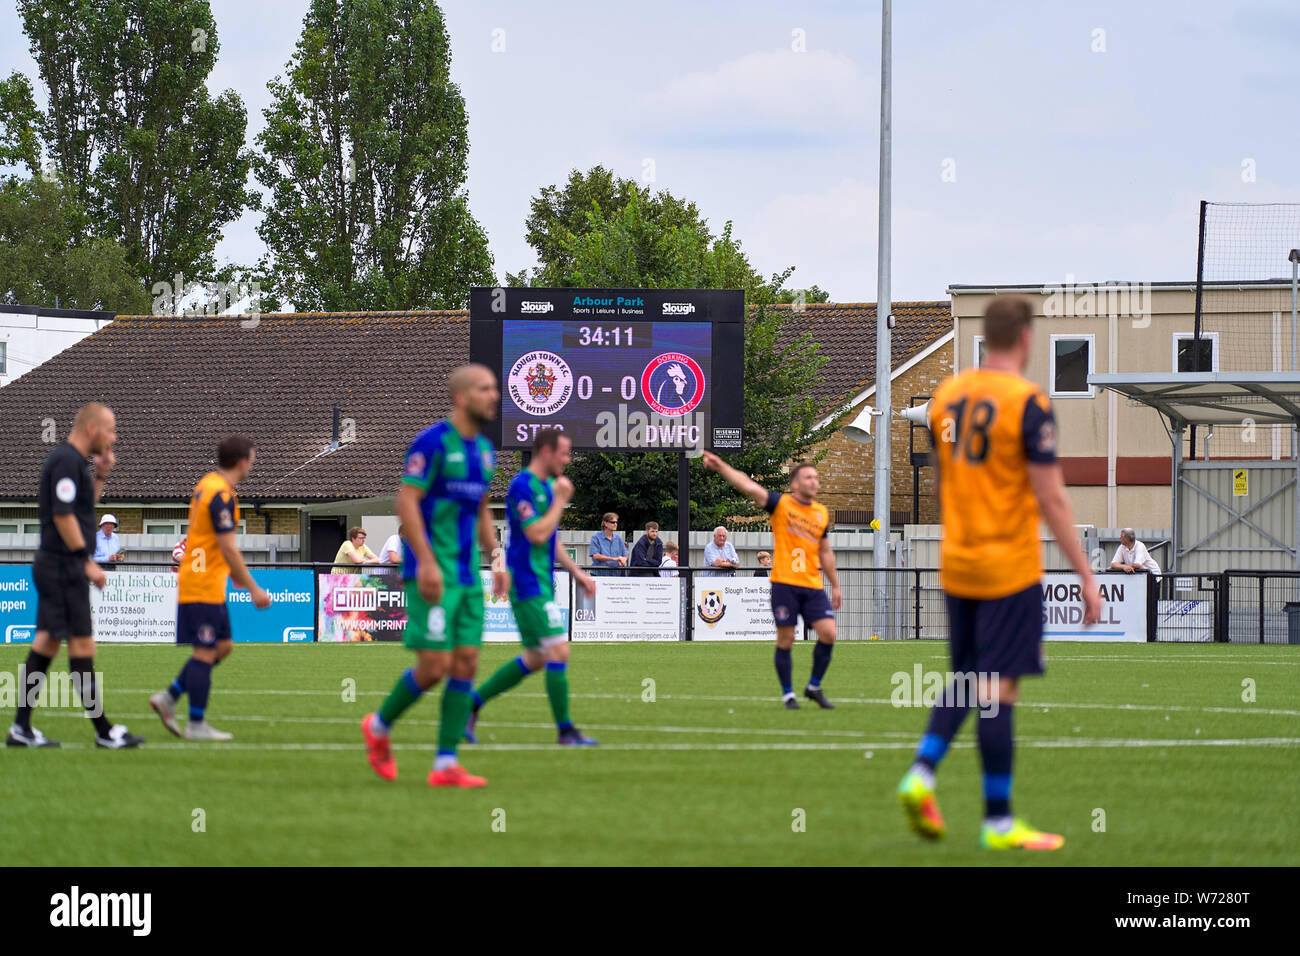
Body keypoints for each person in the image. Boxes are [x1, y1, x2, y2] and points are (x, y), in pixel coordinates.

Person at [896, 295, 1102, 851]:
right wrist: (1085, 572)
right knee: (997, 688)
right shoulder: (1028, 401)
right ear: (1028, 339)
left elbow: (941, 482)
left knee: (966, 678)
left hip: (957, 561)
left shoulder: (947, 397)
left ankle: (922, 772)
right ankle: (998, 821)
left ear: (986, 337)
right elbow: (1051, 497)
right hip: (1008, 566)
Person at [361, 364, 508, 788]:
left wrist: (495, 557)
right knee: (434, 666)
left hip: (465, 575)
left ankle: (446, 763)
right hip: (434, 572)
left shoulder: (484, 449)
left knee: (466, 661)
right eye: (485, 389)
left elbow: (480, 508)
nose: (493, 396)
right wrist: (424, 560)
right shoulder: (431, 442)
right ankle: (379, 725)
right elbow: (406, 502)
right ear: (462, 397)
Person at [7, 402, 142, 748]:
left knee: (48, 644)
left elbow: (81, 511)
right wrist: (86, 561)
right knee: (81, 644)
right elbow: (63, 517)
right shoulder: (65, 460)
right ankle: (103, 731)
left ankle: (22, 728)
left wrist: (101, 475)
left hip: (57, 566)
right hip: (62, 567)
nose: (114, 437)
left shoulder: (74, 464)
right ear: (92, 428)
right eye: (110, 430)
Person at [465, 429, 600, 746]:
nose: (567, 460)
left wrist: (578, 573)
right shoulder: (523, 486)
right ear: (547, 452)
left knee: (537, 657)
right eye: (565, 454)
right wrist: (561, 502)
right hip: (526, 582)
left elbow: (551, 540)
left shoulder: (547, 488)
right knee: (558, 650)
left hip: (541, 581)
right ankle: (566, 730)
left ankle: (472, 703)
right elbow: (537, 534)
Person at [149, 436, 272, 741]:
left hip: (209, 582)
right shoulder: (220, 494)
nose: (252, 465)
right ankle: (196, 724)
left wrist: (234, 575)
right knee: (205, 652)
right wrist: (254, 588)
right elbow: (227, 546)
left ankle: (170, 696)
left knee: (223, 646)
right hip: (201, 583)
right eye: (252, 459)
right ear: (243, 461)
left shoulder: (208, 484)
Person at [702, 454, 841, 709]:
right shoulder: (781, 504)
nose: (814, 481)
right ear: (796, 484)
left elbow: (825, 551)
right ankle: (788, 694)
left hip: (812, 585)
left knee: (829, 633)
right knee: (786, 639)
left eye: (816, 477)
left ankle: (813, 686)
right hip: (785, 584)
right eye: (808, 477)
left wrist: (836, 584)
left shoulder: (821, 513)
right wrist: (721, 465)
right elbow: (748, 485)